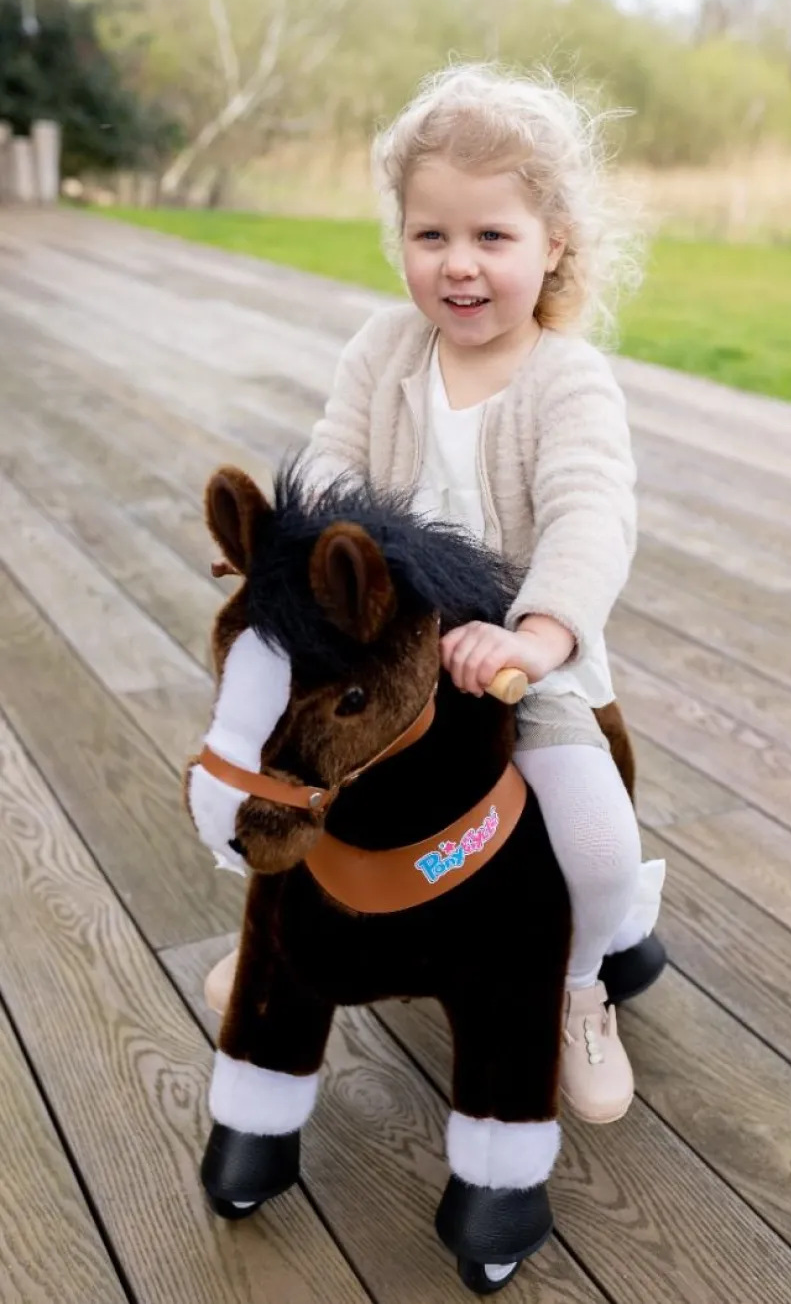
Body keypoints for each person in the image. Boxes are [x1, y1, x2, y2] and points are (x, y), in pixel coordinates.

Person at [205, 62, 665, 1124]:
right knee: (275, 769)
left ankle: (575, 983)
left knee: (597, 846)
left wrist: (537, 636)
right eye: (431, 235)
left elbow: (592, 512)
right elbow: (331, 467)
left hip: (514, 671)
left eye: (491, 236)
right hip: (381, 657)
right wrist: (291, 564)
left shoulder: (568, 381)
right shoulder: (384, 351)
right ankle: (274, 946)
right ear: (402, 238)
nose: (458, 264)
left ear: (554, 244)